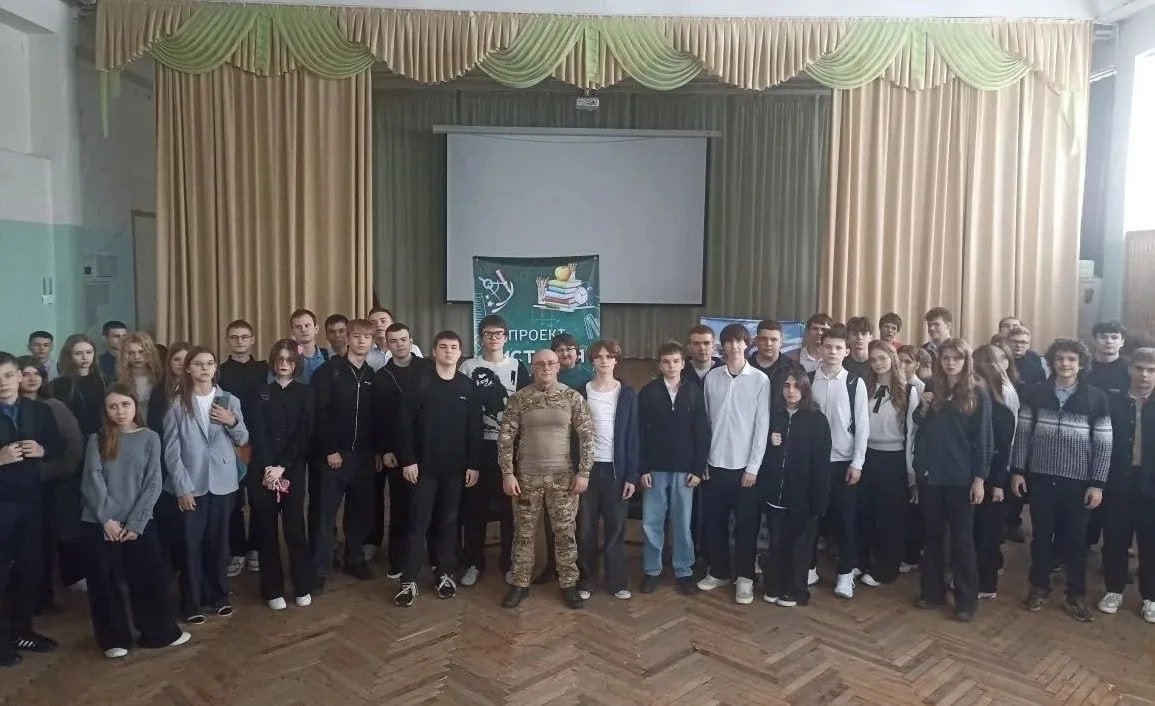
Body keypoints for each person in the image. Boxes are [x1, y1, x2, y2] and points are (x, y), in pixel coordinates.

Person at [81, 384, 190, 658]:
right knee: (105, 582)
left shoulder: (150, 437)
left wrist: (135, 523)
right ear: (105, 410)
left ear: (135, 406)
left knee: (149, 579)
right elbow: (92, 480)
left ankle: (159, 632)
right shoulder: (97, 439)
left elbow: (153, 483)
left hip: (139, 522)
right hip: (101, 523)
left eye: (125, 404)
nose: (120, 411)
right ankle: (114, 640)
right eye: (113, 406)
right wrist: (107, 520)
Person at [1010, 339, 1111, 622]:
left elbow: (1104, 444)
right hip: (1041, 479)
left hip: (1078, 483)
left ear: (1081, 364)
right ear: (1052, 362)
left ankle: (1076, 594)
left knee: (1075, 542)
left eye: (1071, 359)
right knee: (1041, 537)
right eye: (1060, 359)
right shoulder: (1035, 393)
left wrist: (1097, 483)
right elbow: (1023, 434)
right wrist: (1017, 470)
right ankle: (1039, 587)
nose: (1065, 364)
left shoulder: (1096, 398)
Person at [499, 349, 594, 609]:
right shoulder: (519, 398)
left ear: (558, 366)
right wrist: (507, 473)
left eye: (551, 363)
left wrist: (584, 473)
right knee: (523, 534)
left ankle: (569, 584)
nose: (546, 367)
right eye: (540, 363)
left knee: (565, 533)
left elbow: (587, 437)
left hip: (563, 478)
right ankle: (520, 584)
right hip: (526, 479)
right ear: (533, 367)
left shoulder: (572, 397)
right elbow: (505, 439)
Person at [393, 331, 482, 606]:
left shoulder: (468, 386)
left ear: (460, 352)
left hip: (455, 470)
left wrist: (474, 464)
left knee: (449, 522)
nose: (448, 351)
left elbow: (474, 430)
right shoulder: (419, 384)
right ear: (434, 352)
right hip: (423, 469)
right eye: (443, 347)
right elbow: (403, 425)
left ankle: (445, 573)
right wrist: (408, 460)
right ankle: (408, 579)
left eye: (454, 347)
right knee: (417, 523)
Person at [162, 346, 249, 624]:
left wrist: (231, 421)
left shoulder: (228, 400)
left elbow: (243, 438)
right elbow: (171, 450)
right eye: (198, 364)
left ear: (215, 368)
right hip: (192, 484)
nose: (205, 368)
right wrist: (182, 487)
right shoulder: (178, 403)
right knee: (191, 544)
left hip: (223, 483)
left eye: (209, 363)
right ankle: (192, 602)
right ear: (188, 368)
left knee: (219, 543)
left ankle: (218, 596)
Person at [911, 338, 992, 622]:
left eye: (957, 358)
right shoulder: (933, 387)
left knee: (962, 540)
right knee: (932, 536)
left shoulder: (977, 393)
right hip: (931, 475)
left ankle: (966, 600)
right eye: (946, 358)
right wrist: (923, 408)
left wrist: (980, 478)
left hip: (960, 477)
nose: (950, 363)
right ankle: (933, 592)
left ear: (966, 361)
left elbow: (983, 439)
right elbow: (919, 423)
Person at [697, 324, 771, 605]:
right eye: (728, 342)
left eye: (739, 342)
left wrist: (753, 467)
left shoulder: (760, 380)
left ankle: (745, 579)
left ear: (747, 345)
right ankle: (718, 572)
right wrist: (702, 461)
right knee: (714, 524)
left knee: (746, 528)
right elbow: (704, 423)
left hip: (744, 470)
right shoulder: (713, 377)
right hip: (714, 465)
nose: (733, 347)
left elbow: (762, 427)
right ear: (722, 347)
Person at [457, 315, 530, 587]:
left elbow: (525, 408)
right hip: (477, 449)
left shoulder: (517, 367)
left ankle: (508, 563)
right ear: (481, 337)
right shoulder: (468, 367)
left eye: (498, 333)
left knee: (510, 511)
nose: (494, 338)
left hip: (509, 450)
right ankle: (473, 563)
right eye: (488, 333)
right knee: (473, 509)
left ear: (506, 337)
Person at [0, 351, 62, 667]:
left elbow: (58, 447)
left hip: (32, 502)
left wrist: (42, 449)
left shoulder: (39, 410)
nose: (3, 383)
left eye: (8, 375)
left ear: (19, 377)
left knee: (30, 569)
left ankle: (21, 631)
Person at [247, 339, 316, 611]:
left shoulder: (305, 392)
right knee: (266, 530)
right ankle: (272, 589)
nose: (284, 364)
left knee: (295, 529)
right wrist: (268, 467)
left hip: (292, 469)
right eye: (280, 360)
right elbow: (257, 431)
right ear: (273, 363)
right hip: (263, 471)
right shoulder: (260, 391)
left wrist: (282, 467)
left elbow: (304, 432)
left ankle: (302, 585)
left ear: (296, 364)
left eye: (289, 360)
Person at [309, 318, 378, 587]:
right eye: (357, 336)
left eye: (367, 337)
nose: (361, 341)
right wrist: (330, 449)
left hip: (363, 456)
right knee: (325, 514)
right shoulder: (328, 372)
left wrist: (376, 451)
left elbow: (377, 417)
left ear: (372, 342)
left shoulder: (371, 375)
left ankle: (354, 559)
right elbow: (319, 413)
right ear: (347, 339)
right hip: (334, 456)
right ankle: (318, 569)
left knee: (360, 511)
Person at [638, 342, 709, 595]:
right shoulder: (648, 392)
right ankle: (652, 570)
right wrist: (642, 468)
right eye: (666, 362)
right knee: (652, 523)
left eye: (676, 361)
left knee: (682, 523)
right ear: (659, 365)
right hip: (655, 469)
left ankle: (684, 570)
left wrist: (698, 469)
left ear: (682, 363)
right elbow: (639, 433)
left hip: (684, 470)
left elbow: (702, 432)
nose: (671, 366)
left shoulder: (694, 391)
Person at [16, 357, 84, 612]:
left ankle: (43, 596)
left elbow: (73, 446)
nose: (32, 378)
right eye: (25, 373)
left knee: (45, 542)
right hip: (15, 487)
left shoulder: (55, 406)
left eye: (37, 373)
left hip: (52, 485)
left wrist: (48, 470)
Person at [760, 371, 831, 607]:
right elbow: (762, 454)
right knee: (776, 543)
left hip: (803, 498)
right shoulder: (773, 416)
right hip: (775, 495)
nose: (791, 391)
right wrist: (771, 444)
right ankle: (774, 585)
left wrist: (819, 501)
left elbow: (821, 464)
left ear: (805, 389)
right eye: (787, 385)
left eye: (796, 386)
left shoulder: (817, 420)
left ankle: (795, 590)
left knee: (799, 547)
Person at [808, 324, 869, 599]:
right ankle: (809, 567)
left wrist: (857, 463)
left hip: (843, 463)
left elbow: (863, 426)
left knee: (845, 521)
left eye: (838, 347)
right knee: (811, 519)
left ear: (846, 351)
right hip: (813, 463)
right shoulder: (808, 380)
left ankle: (845, 574)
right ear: (820, 349)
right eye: (828, 346)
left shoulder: (855, 383)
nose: (832, 352)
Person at [575, 339, 639, 601]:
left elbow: (634, 437)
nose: (604, 361)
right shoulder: (581, 392)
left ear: (616, 360)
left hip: (616, 472)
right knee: (586, 530)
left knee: (615, 529)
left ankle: (616, 582)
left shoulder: (627, 394)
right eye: (599, 356)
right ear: (592, 361)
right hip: (587, 471)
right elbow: (572, 434)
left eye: (609, 356)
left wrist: (632, 476)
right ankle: (586, 580)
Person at [370, 322, 435, 576]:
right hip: (396, 452)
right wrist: (384, 449)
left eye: (403, 340)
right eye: (394, 341)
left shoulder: (428, 368)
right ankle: (398, 561)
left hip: (427, 448)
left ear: (411, 341)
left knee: (428, 506)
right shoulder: (381, 377)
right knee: (400, 507)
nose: (399, 345)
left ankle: (430, 556)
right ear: (387, 345)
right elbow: (377, 418)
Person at [1097, 348, 1155, 621]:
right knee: (1115, 539)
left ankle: (1150, 596)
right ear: (1130, 369)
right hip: (1118, 481)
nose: (1144, 375)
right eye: (1140, 368)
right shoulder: (1112, 401)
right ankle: (1114, 589)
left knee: (1151, 542)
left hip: (1151, 485)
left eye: (1151, 370)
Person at [856, 341, 919, 587]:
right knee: (865, 513)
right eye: (873, 359)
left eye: (882, 358)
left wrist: (911, 473)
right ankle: (861, 561)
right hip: (867, 456)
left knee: (890, 517)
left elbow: (912, 434)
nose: (878, 363)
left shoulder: (909, 391)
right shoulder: (865, 386)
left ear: (893, 359)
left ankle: (886, 568)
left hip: (894, 459)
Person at [219, 320, 268, 579]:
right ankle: (237, 550)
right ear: (228, 340)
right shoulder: (219, 371)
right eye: (234, 337)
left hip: (260, 443)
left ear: (252, 339)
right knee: (233, 502)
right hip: (229, 444)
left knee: (259, 499)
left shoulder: (264, 369)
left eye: (244, 337)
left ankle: (256, 549)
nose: (240, 341)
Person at [970, 344, 1019, 600]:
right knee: (974, 531)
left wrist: (999, 484)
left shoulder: (1002, 413)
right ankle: (973, 577)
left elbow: (1003, 451)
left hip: (994, 480)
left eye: (977, 380)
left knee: (988, 533)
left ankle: (986, 584)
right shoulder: (971, 408)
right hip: (972, 476)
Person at [149, 343, 190, 572]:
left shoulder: (202, 388)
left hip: (194, 461)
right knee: (169, 514)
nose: (181, 364)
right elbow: (156, 428)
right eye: (176, 359)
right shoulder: (159, 391)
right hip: (166, 459)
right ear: (169, 363)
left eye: (186, 359)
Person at [115, 333, 163, 426]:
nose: (137, 357)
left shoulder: (160, 377)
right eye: (131, 353)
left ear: (149, 353)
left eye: (141, 352)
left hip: (157, 426)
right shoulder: (120, 381)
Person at [748, 319, 794, 411]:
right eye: (763, 339)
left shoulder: (794, 368)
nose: (768, 344)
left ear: (781, 342)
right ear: (756, 341)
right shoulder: (744, 367)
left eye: (774, 339)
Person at [1087, 320, 1129, 395]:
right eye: (1103, 337)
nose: (1109, 341)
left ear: (1122, 342)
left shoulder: (1130, 368)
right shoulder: (1084, 367)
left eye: (1114, 337)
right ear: (1094, 341)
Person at [289, 309, 331, 383]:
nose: (303, 330)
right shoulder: (285, 359)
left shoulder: (329, 357)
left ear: (316, 329)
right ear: (292, 332)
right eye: (298, 327)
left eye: (307, 325)